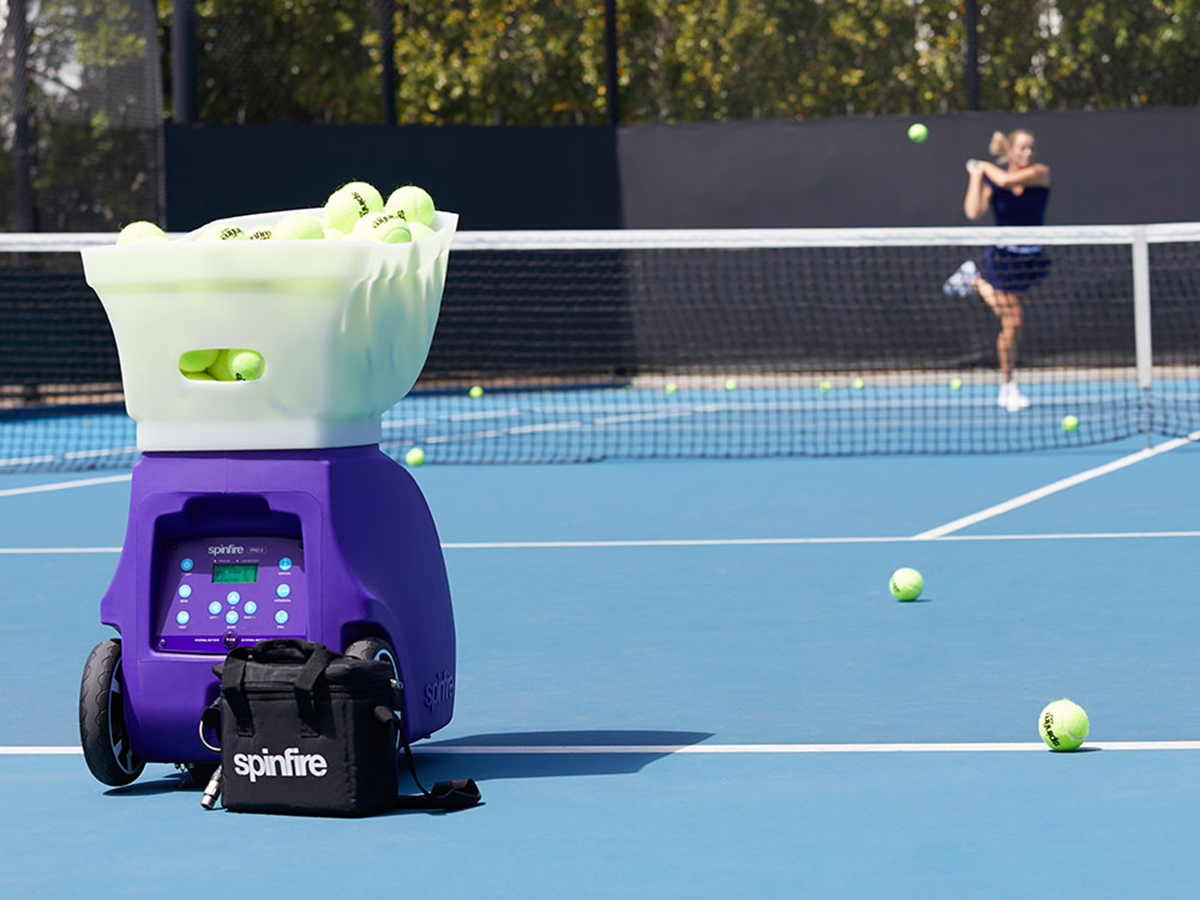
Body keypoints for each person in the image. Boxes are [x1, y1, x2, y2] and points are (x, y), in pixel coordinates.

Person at [943, 128, 1052, 412]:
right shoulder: (993, 181)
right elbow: (973, 211)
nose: (1028, 154)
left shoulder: (1039, 173)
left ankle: (975, 280)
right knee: (1012, 322)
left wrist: (984, 166)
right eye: (1023, 149)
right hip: (1002, 258)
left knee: (1013, 316)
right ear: (1012, 151)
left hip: (1030, 259)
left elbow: (1004, 178)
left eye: (1031, 149)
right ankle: (1008, 386)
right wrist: (975, 176)